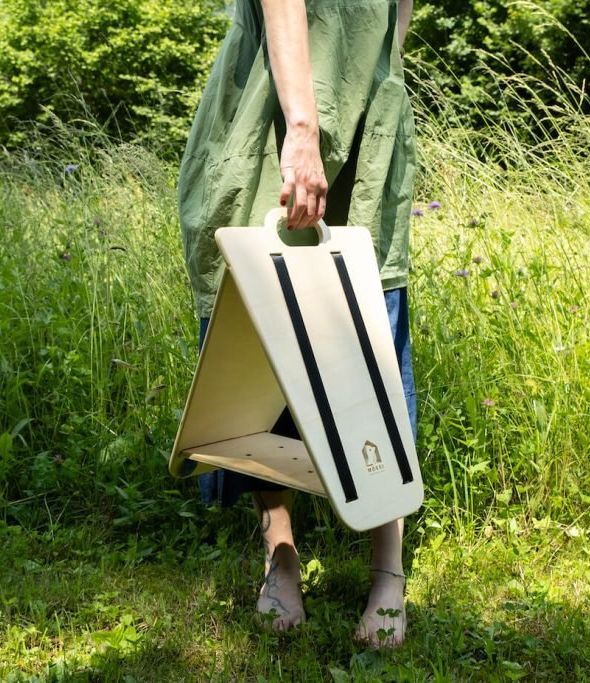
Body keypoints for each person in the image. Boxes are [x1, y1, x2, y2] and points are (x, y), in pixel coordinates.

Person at [178, 0, 417, 647]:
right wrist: (304, 131)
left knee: (370, 326)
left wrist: (383, 88)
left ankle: (388, 570)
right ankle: (279, 553)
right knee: (262, 339)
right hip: (278, 116)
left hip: (369, 110)